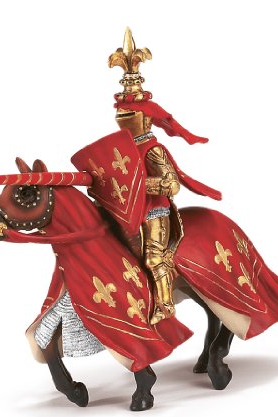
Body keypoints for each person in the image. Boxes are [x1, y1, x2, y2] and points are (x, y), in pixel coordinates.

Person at [108, 28, 222, 324]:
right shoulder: (119, 150)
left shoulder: (152, 150)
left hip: (153, 211)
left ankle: (165, 304)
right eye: (122, 116)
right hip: (126, 211)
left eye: (129, 116)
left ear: (144, 118)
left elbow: (171, 185)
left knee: (153, 257)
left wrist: (139, 185)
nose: (124, 121)